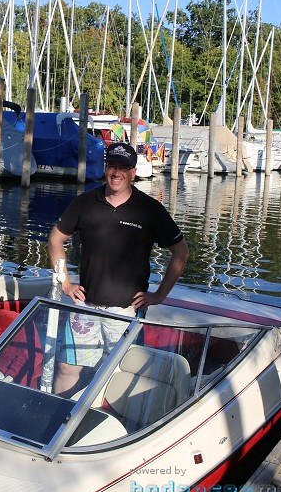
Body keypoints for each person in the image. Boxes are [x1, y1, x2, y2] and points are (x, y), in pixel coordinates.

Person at [47, 141, 189, 396]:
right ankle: (58, 416)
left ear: (133, 172)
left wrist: (160, 296)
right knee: (67, 368)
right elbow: (56, 238)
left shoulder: (149, 209)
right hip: (85, 307)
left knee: (121, 372)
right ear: (105, 168)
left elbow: (181, 252)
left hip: (126, 311)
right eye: (112, 165)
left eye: (123, 167)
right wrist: (65, 282)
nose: (116, 172)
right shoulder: (85, 203)